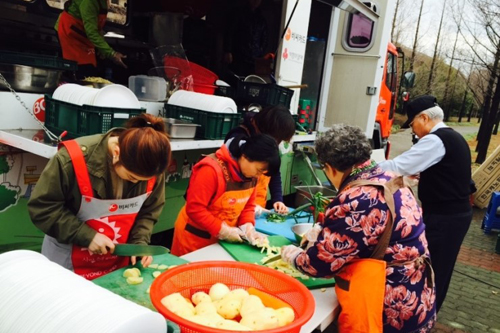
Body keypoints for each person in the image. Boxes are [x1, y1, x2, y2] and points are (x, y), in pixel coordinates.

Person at [281, 124, 436, 332]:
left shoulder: (357, 200)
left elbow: (318, 265)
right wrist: (324, 228)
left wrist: (294, 256)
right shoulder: (390, 178)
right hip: (418, 294)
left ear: (330, 168)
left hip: (388, 307)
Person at [28, 114, 171, 280]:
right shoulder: (71, 160)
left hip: (116, 266)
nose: (136, 183)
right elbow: (42, 208)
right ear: (116, 152)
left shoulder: (151, 167)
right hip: (67, 265)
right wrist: (87, 236)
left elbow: (149, 212)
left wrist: (139, 243)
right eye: (132, 178)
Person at [378, 95, 473, 312]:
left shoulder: (435, 140)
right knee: (441, 266)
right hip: (455, 214)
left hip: (446, 217)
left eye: (413, 124)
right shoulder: (453, 137)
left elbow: (397, 166)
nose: (413, 130)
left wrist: (363, 168)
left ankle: (425, 315)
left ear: (424, 117)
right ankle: (427, 313)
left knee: (434, 268)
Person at [171, 134, 280, 256]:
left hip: (224, 242)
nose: (258, 176)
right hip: (195, 240)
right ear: (245, 156)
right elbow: (195, 209)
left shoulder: (251, 177)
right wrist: (223, 230)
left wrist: (248, 228)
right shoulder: (210, 170)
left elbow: (248, 207)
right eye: (258, 170)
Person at [225, 105, 296, 216]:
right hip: (233, 209)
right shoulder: (238, 139)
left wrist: (278, 199)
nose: (277, 143)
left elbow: (274, 171)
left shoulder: (270, 141)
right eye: (277, 139)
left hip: (257, 209)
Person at [55, 0, 127, 79]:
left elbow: (95, 26)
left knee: (90, 68)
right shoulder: (88, 2)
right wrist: (112, 54)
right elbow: (91, 33)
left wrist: (102, 48)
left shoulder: (103, 2)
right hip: (69, 32)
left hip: (84, 34)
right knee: (79, 69)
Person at [223, 0, 268, 77]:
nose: (256, 1)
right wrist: (228, 50)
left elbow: (264, 39)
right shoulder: (238, 13)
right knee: (235, 78)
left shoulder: (261, 19)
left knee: (250, 81)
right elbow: (230, 32)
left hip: (253, 58)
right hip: (238, 55)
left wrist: (260, 54)